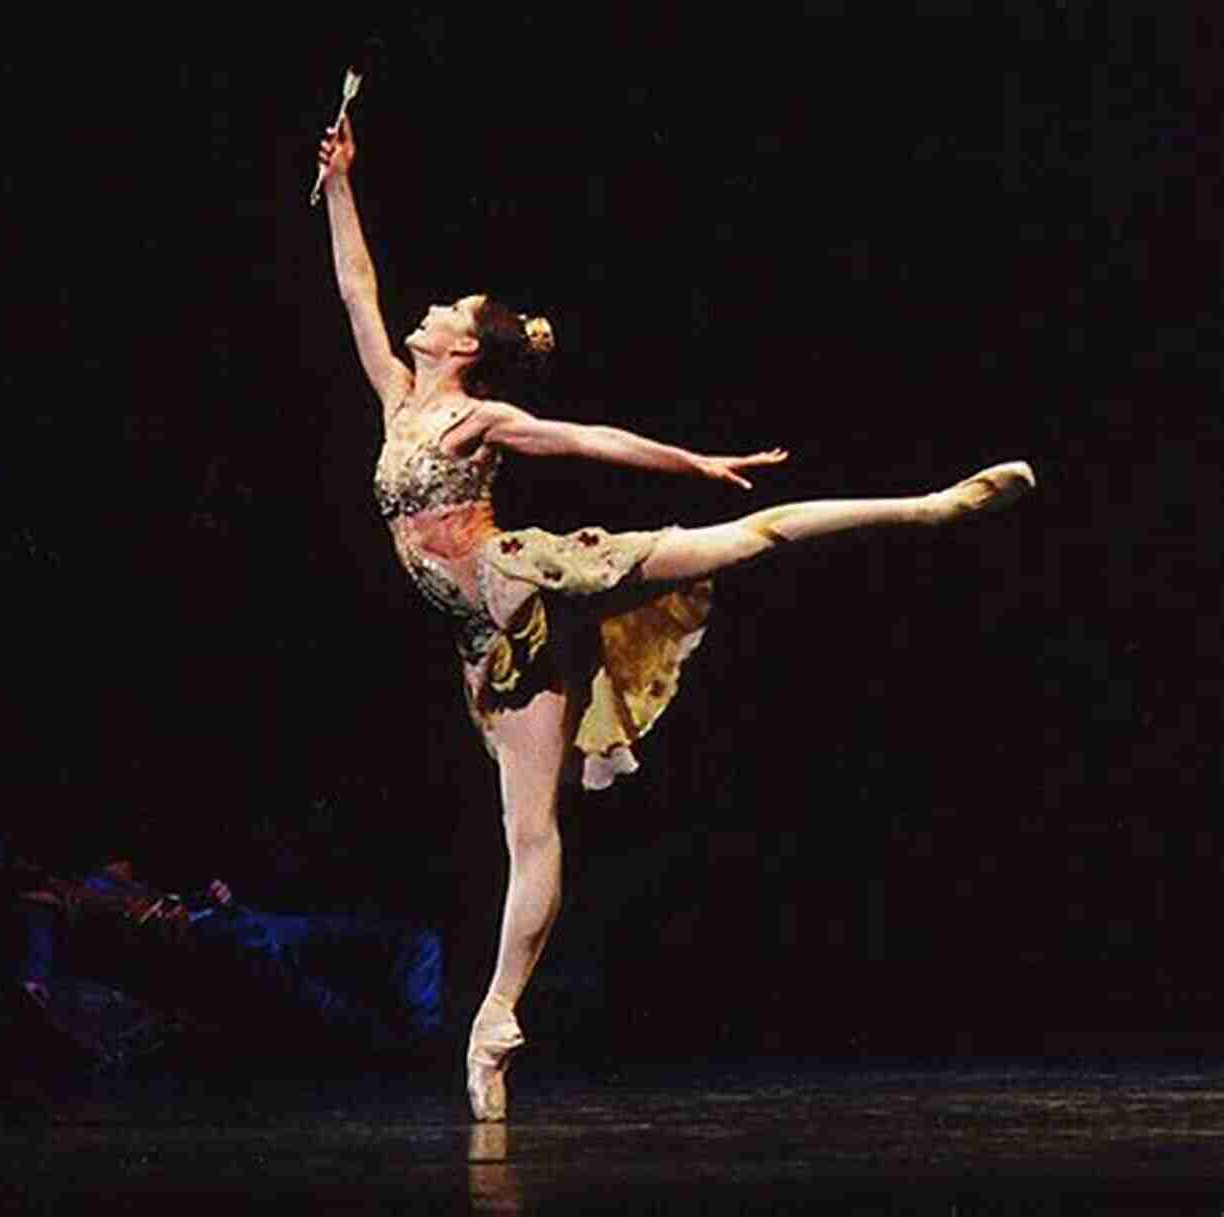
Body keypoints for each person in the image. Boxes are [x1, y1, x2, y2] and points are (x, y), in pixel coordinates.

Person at [316, 112, 1035, 1120]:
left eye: (450, 305)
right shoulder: (397, 394)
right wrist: (342, 181)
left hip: (536, 579)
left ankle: (930, 503)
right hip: (492, 644)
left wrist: (690, 462)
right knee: (529, 829)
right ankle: (494, 1026)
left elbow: (585, 438)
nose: (427, 307)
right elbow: (357, 287)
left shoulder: (479, 417)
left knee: (743, 536)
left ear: (465, 346)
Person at [4, 846, 443, 1058]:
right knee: (321, 1002)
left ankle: (423, 1034)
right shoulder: (47, 903)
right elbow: (37, 958)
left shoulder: (110, 873)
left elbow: (179, 882)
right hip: (213, 949)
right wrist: (35, 979)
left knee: (412, 940)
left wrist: (215, 893)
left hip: (234, 919)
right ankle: (409, 1048)